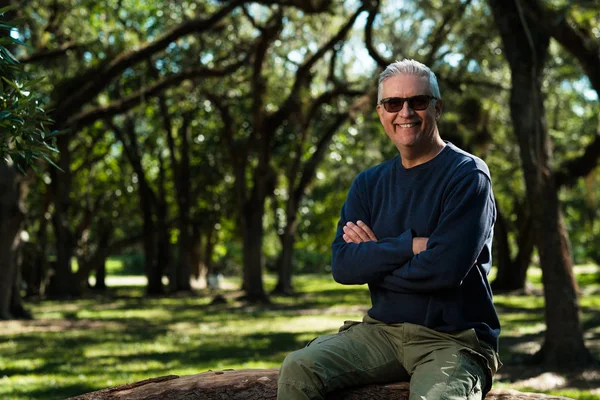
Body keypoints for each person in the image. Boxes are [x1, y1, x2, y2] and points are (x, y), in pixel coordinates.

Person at [277, 59, 501, 400]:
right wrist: (410, 247)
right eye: (394, 103)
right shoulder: (368, 184)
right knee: (298, 369)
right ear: (381, 112)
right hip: (381, 333)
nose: (406, 113)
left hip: (453, 340)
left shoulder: (467, 175)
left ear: (437, 108)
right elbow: (344, 266)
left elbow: (444, 271)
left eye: (418, 102)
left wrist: (376, 257)